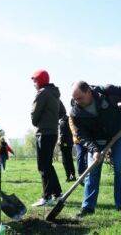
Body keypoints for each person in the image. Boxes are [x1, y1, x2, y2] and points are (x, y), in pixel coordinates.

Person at [70, 81, 121, 218]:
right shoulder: (75, 111)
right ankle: (88, 208)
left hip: (118, 134)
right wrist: (94, 150)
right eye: (74, 99)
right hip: (95, 140)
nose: (77, 101)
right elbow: (81, 135)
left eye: (80, 98)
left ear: (89, 92)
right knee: (92, 172)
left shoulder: (108, 91)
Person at [30, 69, 63, 207]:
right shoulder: (54, 94)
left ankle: (47, 196)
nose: (34, 84)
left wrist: (39, 122)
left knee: (43, 166)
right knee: (47, 164)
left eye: (35, 81)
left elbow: (34, 115)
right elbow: (63, 112)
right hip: (53, 132)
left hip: (43, 133)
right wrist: (52, 120)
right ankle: (57, 193)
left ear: (40, 81)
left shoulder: (42, 93)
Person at [58, 101, 76, 182]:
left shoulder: (62, 121)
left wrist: (60, 142)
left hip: (64, 144)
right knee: (70, 160)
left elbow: (62, 134)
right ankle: (73, 175)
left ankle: (68, 176)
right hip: (70, 143)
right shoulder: (68, 118)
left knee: (65, 161)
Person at [69, 114, 88, 179]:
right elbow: (72, 125)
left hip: (88, 138)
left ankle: (87, 173)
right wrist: (75, 133)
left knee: (88, 157)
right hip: (78, 139)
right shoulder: (72, 113)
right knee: (81, 154)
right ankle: (80, 174)